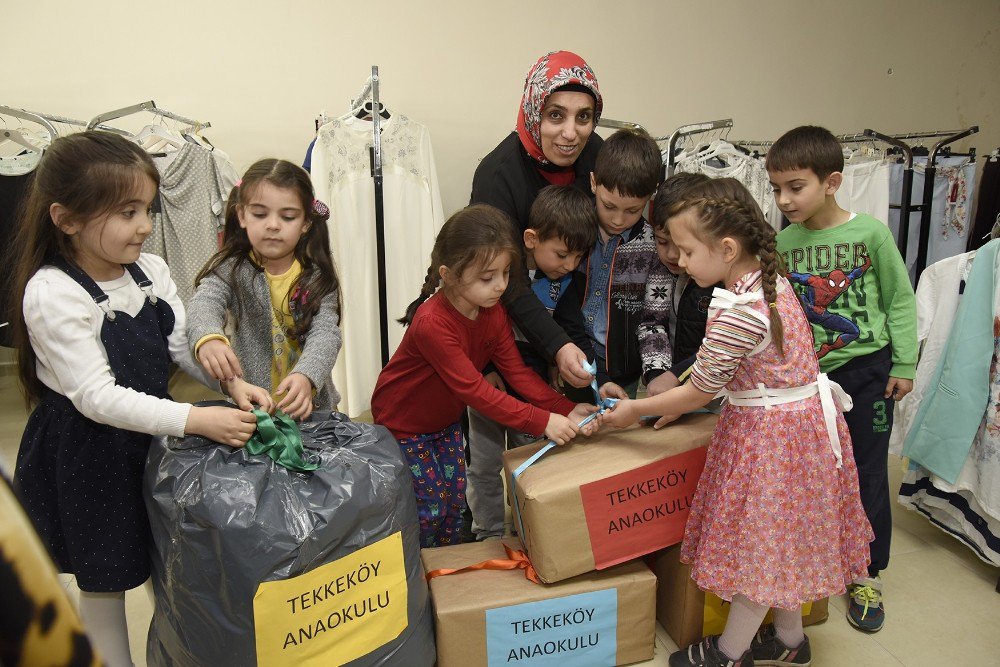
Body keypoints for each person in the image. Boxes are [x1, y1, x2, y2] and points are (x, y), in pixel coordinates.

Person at [8, 131, 271, 667]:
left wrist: (229, 380)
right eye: (127, 213)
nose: (146, 226)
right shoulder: (52, 293)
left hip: (156, 439)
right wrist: (196, 419)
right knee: (106, 581)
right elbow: (97, 397)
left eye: (147, 209)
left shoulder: (149, 272)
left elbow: (181, 345)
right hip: (91, 454)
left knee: (164, 561)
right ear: (67, 218)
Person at [602, 182, 873, 667]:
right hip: (799, 432)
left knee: (760, 550)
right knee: (784, 539)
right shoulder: (766, 283)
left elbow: (700, 390)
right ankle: (792, 643)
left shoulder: (738, 311)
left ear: (726, 249)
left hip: (772, 441)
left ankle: (730, 652)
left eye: (686, 251)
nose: (680, 261)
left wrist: (635, 411)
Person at [371, 204, 598, 548]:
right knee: (428, 509)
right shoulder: (433, 323)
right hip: (404, 426)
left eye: (506, 274)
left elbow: (517, 373)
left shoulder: (493, 312)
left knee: (452, 506)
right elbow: (477, 392)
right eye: (487, 278)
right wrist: (542, 421)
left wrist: (566, 408)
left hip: (443, 424)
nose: (500, 286)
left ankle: (444, 577)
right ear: (448, 274)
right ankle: (418, 576)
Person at [767, 125, 917, 633]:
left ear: (831, 182)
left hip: (869, 372)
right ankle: (823, 558)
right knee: (817, 475)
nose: (785, 199)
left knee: (870, 471)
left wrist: (904, 364)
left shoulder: (871, 233)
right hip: (810, 382)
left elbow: (899, 299)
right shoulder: (782, 244)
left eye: (796, 187)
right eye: (777, 188)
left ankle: (867, 574)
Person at [467, 185, 597, 541]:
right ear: (530, 239)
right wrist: (486, 371)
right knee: (484, 465)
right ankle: (488, 534)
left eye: (578, 257)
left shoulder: (571, 279)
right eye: (561, 255)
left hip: (534, 385)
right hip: (490, 383)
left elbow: (569, 330)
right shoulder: (500, 277)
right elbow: (477, 333)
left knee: (532, 464)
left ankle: (533, 537)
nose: (569, 265)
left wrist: (579, 368)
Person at [470, 49, 604, 389]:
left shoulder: (597, 158)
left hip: (570, 319)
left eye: (584, 117)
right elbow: (507, 282)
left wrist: (568, 346)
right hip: (505, 332)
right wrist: (557, 347)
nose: (571, 133)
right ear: (534, 112)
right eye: (556, 115)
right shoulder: (497, 177)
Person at [188, 159, 342, 421]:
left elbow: (326, 332)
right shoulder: (231, 269)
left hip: (312, 409)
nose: (273, 225)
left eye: (288, 216)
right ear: (242, 216)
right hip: (253, 408)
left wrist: (307, 376)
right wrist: (209, 337)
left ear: (305, 222)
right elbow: (204, 303)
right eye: (260, 214)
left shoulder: (317, 275)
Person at [578, 127, 668, 399]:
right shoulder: (575, 230)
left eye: (632, 210)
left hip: (622, 372)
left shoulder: (654, 247)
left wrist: (656, 373)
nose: (618, 220)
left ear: (651, 194)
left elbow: (654, 320)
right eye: (608, 206)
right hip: (572, 358)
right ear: (593, 182)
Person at [640, 172, 715, 403]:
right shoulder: (658, 269)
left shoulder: (718, 278)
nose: (673, 255)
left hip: (714, 393)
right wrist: (657, 373)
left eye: (683, 246)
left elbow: (721, 346)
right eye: (662, 242)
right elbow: (652, 324)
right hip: (670, 390)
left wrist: (675, 375)